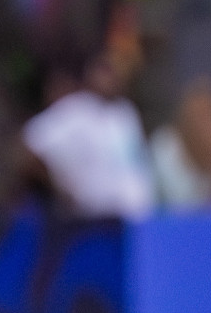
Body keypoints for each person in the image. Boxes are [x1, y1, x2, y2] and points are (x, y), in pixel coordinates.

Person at [22, 52, 155, 219]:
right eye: (105, 71)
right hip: (96, 218)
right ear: (90, 73)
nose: (111, 78)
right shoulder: (76, 110)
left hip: (138, 216)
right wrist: (59, 187)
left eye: (115, 72)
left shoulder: (125, 111)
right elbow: (31, 144)